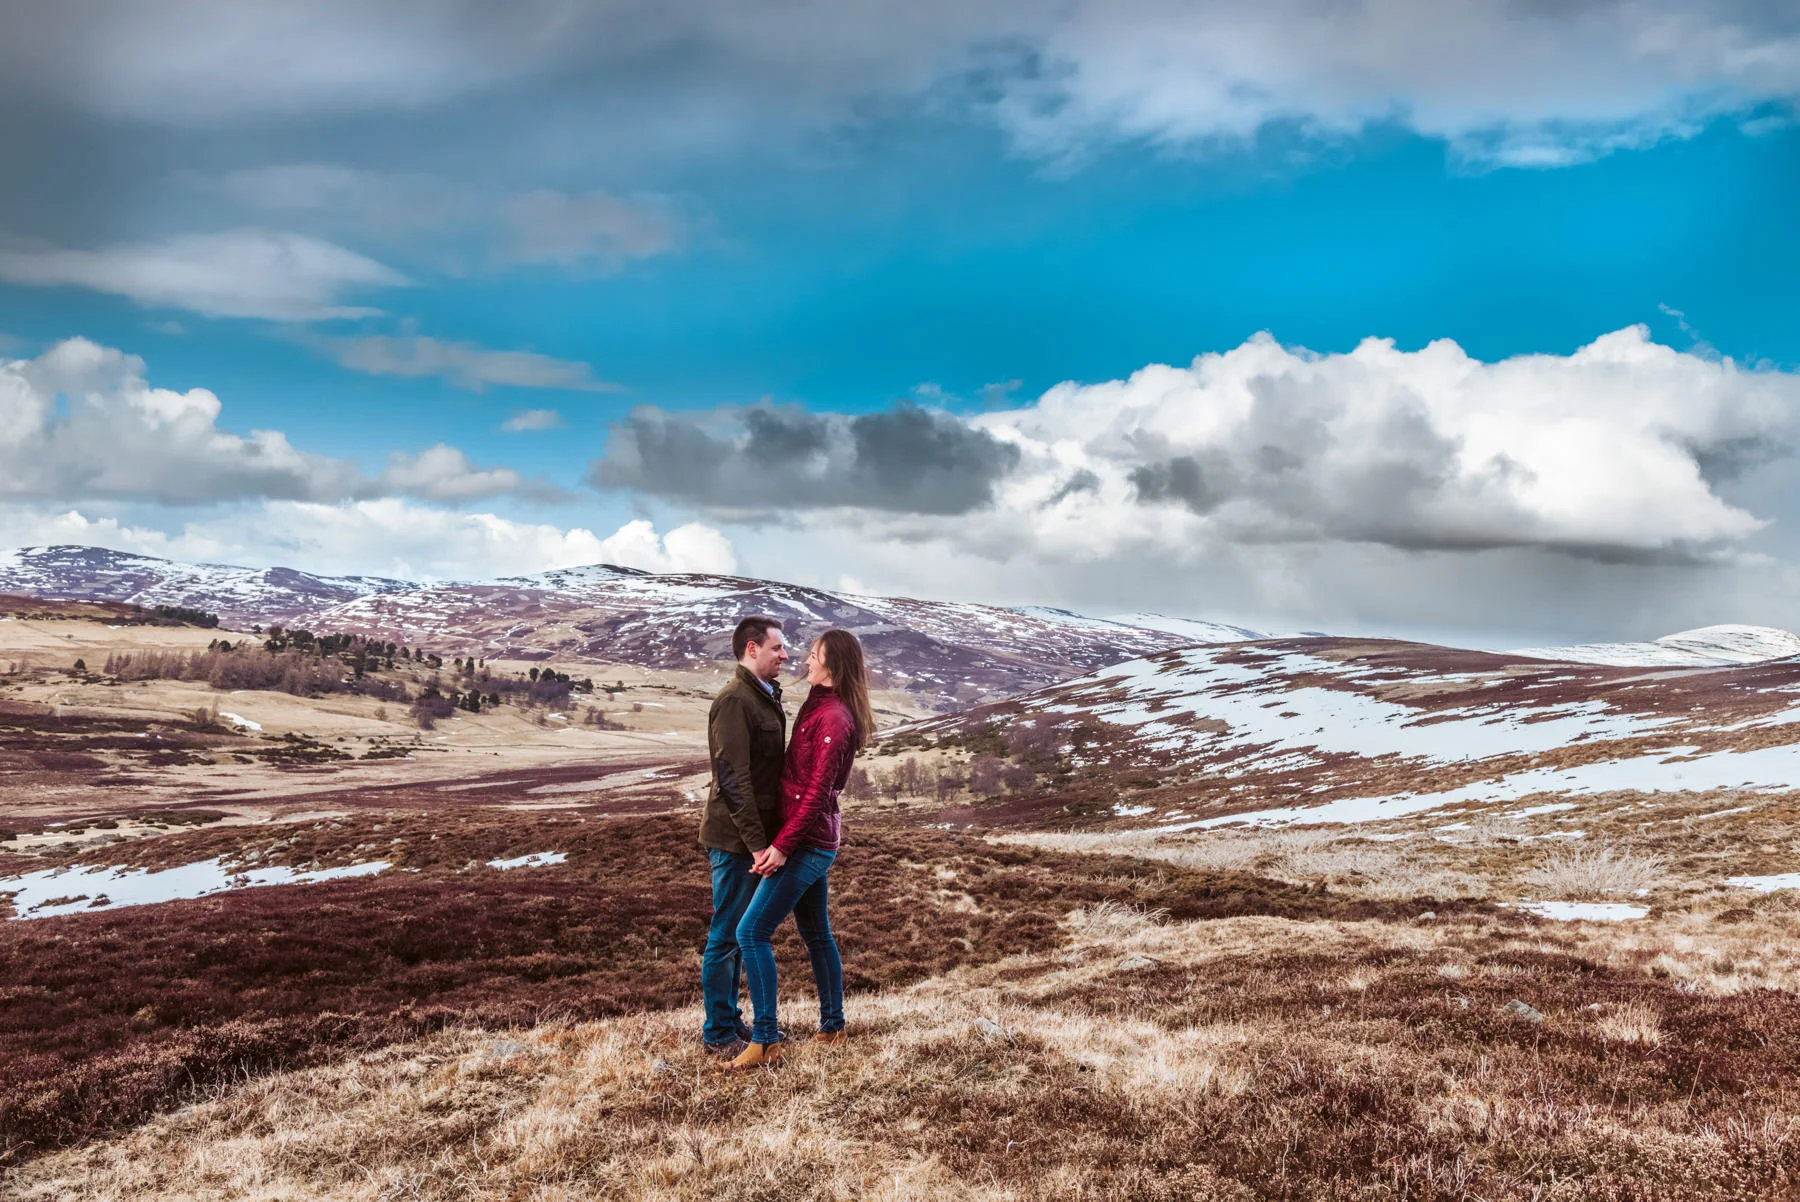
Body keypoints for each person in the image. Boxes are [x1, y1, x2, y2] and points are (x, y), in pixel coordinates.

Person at [724, 628, 873, 1071]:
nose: (803, 661)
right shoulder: (820, 705)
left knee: (751, 932)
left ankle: (766, 1040)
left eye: (813, 655)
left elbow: (816, 791)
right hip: (810, 838)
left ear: (833, 666)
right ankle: (833, 1026)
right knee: (816, 934)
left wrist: (784, 846)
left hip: (806, 842)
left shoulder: (834, 718)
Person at [698, 615, 790, 1057]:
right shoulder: (735, 700)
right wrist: (757, 843)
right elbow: (733, 779)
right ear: (752, 649)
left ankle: (732, 1021)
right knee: (726, 934)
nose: (785, 655)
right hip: (736, 842)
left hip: (754, 839)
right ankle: (718, 1032)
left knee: (740, 932)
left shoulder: (762, 697)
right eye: (777, 648)